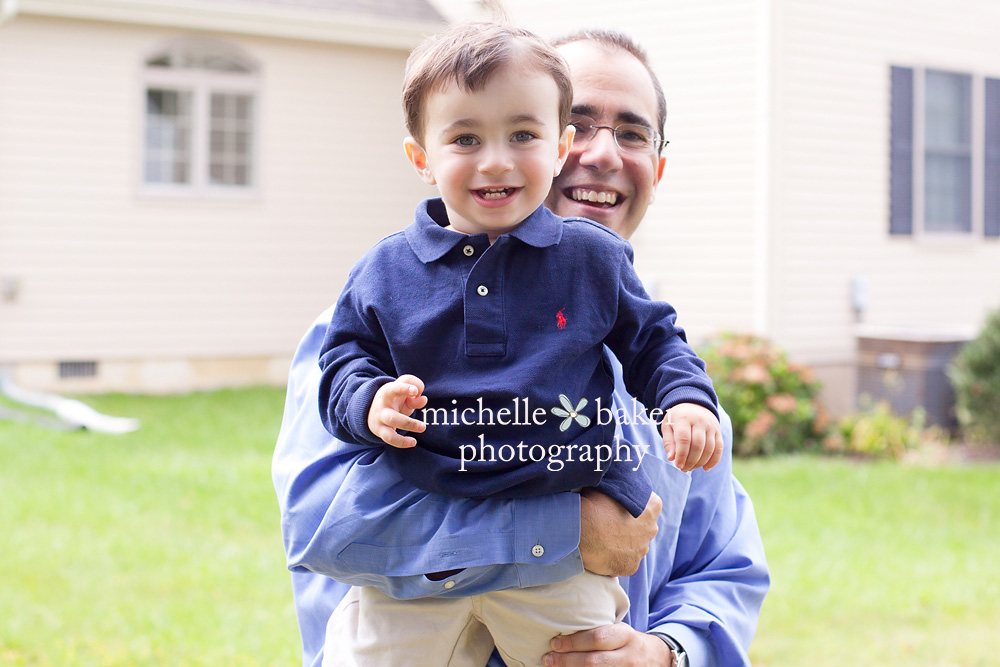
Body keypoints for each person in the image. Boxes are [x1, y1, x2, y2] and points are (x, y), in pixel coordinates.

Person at [273, 26, 769, 667]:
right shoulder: (380, 322)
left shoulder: (679, 388)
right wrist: (563, 535)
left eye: (632, 133)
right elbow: (323, 531)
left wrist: (667, 653)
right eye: (581, 121)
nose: (601, 154)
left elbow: (723, 571)